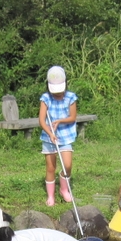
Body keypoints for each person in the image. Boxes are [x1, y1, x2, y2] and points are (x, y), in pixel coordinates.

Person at [39, 66, 78, 206]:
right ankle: (50, 196)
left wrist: (60, 121)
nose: (58, 93)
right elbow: (42, 120)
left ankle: (63, 189)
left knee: (67, 165)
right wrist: (50, 133)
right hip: (49, 137)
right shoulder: (45, 98)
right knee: (50, 168)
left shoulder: (70, 97)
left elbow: (73, 117)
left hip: (65, 136)